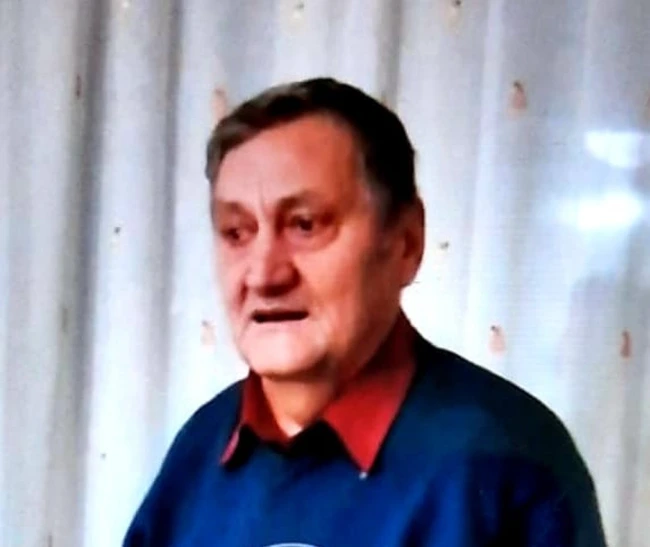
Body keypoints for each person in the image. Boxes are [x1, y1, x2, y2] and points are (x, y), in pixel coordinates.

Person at [124, 78, 606, 546]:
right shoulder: (197, 452)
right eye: (236, 233)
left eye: (305, 225)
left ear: (405, 242)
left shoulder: (511, 461)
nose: (264, 275)